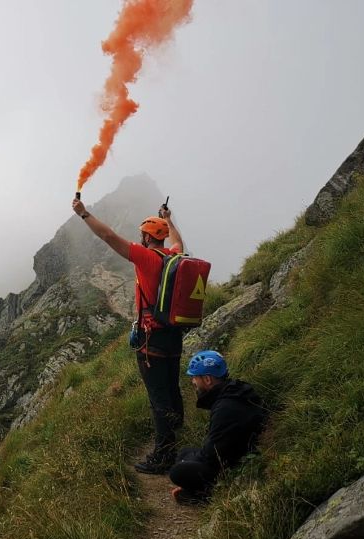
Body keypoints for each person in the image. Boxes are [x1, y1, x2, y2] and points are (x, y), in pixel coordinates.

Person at [72, 196, 186, 473]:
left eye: (142, 235)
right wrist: (169, 219)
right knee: (171, 388)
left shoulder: (146, 258)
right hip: (174, 335)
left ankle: (163, 456)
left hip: (152, 339)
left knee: (157, 397)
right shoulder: (174, 257)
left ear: (147, 238)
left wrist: (84, 214)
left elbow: (108, 236)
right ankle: (176, 432)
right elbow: (178, 242)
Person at [169, 350, 267, 505]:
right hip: (236, 453)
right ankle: (195, 489)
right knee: (184, 452)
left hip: (232, 464)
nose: (193, 381)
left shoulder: (225, 407)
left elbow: (212, 454)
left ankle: (207, 494)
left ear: (207, 379)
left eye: (195, 377)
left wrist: (187, 464)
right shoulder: (233, 393)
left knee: (177, 471)